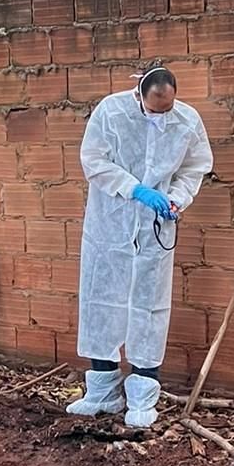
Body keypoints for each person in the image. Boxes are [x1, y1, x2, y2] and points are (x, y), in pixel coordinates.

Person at [67, 64, 214, 427]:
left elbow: (195, 167)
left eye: (167, 108)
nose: (161, 116)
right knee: (103, 303)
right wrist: (135, 189)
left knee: (149, 307)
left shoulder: (186, 120)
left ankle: (144, 397)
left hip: (154, 230)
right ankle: (102, 393)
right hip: (110, 225)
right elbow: (94, 160)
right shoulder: (111, 112)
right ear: (140, 95)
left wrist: (176, 199)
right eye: (154, 109)